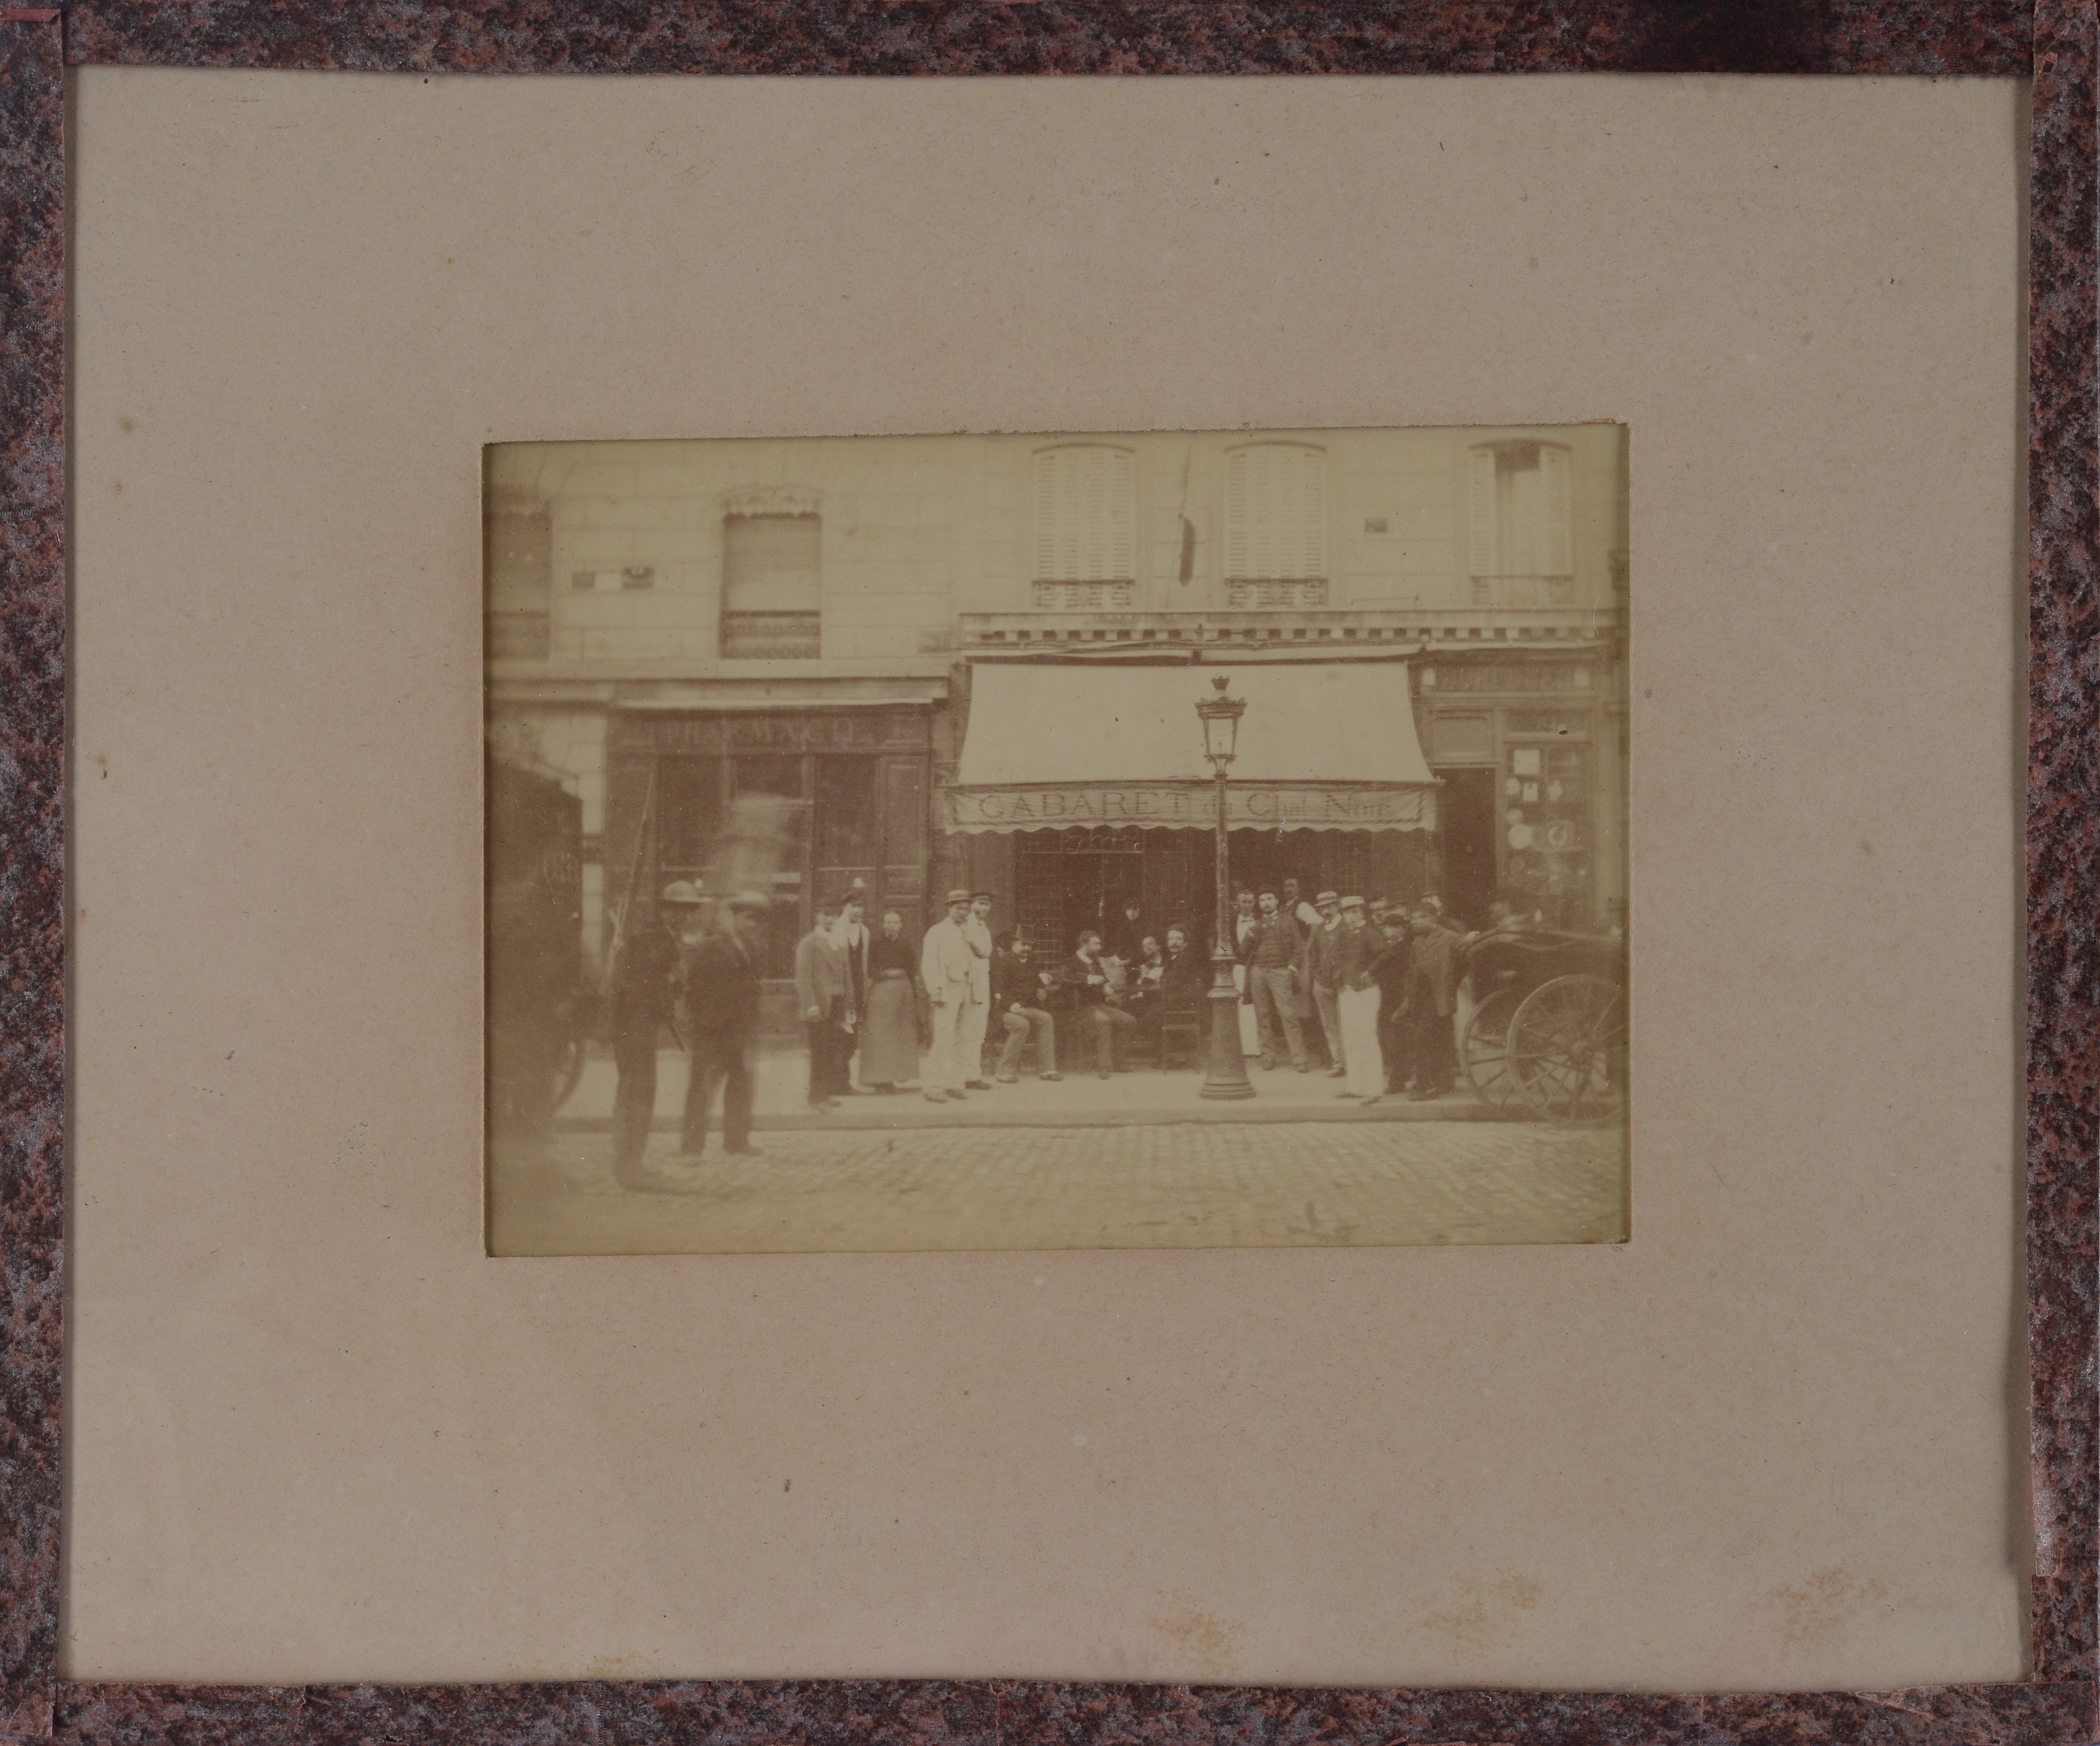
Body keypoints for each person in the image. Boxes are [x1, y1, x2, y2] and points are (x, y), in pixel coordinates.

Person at [606, 880, 704, 1193]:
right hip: (635, 1026)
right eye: (678, 909)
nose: (684, 916)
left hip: (640, 1026)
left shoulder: (660, 937)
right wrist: (671, 990)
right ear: (665, 909)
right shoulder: (652, 939)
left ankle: (630, 1164)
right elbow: (640, 985)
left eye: (688, 910)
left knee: (638, 1093)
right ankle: (629, 1169)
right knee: (637, 1095)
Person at [680, 891, 767, 1159]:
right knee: (703, 1089)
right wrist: (706, 1021)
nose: (753, 925)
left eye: (757, 921)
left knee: (743, 1087)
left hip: (743, 1034)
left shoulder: (754, 950)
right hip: (713, 1033)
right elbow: (693, 986)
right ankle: (692, 1147)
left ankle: (737, 1142)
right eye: (748, 919)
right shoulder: (713, 947)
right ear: (735, 918)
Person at [1239, 888, 1309, 1072]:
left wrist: (1291, 968)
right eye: (1262, 900)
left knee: (1288, 1015)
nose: (1266, 903)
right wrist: (1249, 936)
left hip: (1280, 972)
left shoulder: (1288, 921)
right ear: (1259, 904)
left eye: (1269, 898)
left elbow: (1298, 949)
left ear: (1276, 901)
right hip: (1258, 972)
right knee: (1262, 1016)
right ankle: (1268, 1057)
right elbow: (1243, 951)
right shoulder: (1256, 924)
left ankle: (1300, 1059)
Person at [793, 900, 854, 1112]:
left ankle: (825, 1094)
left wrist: (849, 1005)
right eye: (826, 914)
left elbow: (847, 976)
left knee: (832, 1051)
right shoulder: (810, 943)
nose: (830, 919)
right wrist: (811, 1005)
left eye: (834, 915)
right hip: (819, 1006)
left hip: (837, 1003)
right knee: (819, 1052)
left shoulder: (839, 941)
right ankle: (815, 1098)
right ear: (818, 917)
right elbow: (803, 977)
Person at [919, 889, 978, 1102]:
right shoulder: (937, 932)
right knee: (943, 1039)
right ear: (949, 908)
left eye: (966, 909)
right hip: (947, 989)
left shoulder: (968, 931)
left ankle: (955, 1083)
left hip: (967, 987)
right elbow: (929, 963)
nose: (963, 913)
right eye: (959, 908)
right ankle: (933, 1086)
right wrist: (934, 990)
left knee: (963, 1038)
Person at [859, 909, 924, 1092]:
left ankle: (896, 1076)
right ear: (883, 925)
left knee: (901, 1035)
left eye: (895, 922)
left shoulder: (906, 944)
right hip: (882, 991)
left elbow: (912, 970)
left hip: (903, 992)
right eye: (888, 922)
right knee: (880, 1035)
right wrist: (883, 975)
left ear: (901, 925)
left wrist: (914, 994)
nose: (892, 926)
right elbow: (870, 969)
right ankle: (879, 1079)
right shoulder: (875, 944)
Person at [1404, 899, 1463, 1099]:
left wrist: (1451, 983)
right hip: (1420, 998)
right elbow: (1412, 972)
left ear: (1432, 918)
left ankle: (1424, 1086)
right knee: (1440, 1040)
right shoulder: (1417, 942)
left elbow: (1466, 959)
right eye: (1413, 919)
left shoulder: (1451, 938)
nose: (1414, 922)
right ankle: (1444, 1083)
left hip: (1439, 998)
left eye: (1420, 918)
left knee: (1425, 1039)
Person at [1333, 896, 1385, 1102]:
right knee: (1351, 1038)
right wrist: (1338, 978)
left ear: (1363, 913)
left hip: (1366, 992)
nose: (1351, 916)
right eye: (1348, 912)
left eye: (1355, 912)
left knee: (1367, 1039)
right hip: (1347, 992)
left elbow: (1385, 955)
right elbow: (1337, 959)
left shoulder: (1370, 933)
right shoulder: (1344, 935)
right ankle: (1355, 1086)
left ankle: (1374, 1089)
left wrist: (1369, 972)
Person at [1064, 929, 1137, 1078]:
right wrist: (1089, 979)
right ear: (1085, 944)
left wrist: (1107, 986)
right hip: (1080, 1009)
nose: (1099, 947)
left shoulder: (1095, 961)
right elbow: (1067, 979)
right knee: (1105, 1021)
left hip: (1099, 1005)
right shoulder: (1071, 961)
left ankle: (1118, 1061)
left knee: (1129, 1021)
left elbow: (1104, 978)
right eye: (1095, 944)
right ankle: (1104, 1066)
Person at [992, 934, 1061, 1082]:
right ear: (1013, 946)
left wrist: (1041, 988)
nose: (1026, 948)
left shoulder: (1032, 961)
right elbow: (998, 988)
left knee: (1046, 1018)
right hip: (1004, 1010)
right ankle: (1004, 1072)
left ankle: (1047, 1069)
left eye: (1029, 945)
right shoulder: (1003, 961)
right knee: (1022, 1024)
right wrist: (1013, 1006)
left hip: (1027, 1007)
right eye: (1022, 944)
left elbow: (1036, 982)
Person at [1371, 907, 1415, 1095]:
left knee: (1398, 1041)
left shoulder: (1405, 949)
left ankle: (1398, 1081)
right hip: (1388, 999)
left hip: (1399, 999)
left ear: (1400, 930)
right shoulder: (1391, 947)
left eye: (1389, 928)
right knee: (1392, 1040)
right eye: (1385, 928)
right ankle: (1401, 1076)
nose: (1385, 931)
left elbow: (1407, 976)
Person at [1306, 889, 1348, 1080]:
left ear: (1337, 906)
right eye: (1322, 908)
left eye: (1329, 907)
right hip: (1323, 984)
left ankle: (1352, 1062)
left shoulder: (1347, 926)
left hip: (1344, 984)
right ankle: (1339, 1062)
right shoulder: (1319, 930)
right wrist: (1317, 975)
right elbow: (1311, 954)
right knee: (1330, 1026)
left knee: (1347, 1024)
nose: (1325, 911)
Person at [833, 888, 872, 1093]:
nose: (857, 911)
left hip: (857, 991)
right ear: (844, 908)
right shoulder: (836, 928)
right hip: (840, 991)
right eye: (853, 907)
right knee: (841, 1037)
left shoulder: (864, 932)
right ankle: (839, 1083)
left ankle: (841, 1082)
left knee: (852, 1038)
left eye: (860, 907)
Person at [959, 890, 997, 1090]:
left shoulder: (982, 926)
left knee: (977, 1031)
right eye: (981, 904)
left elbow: (986, 953)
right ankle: (964, 1075)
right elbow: (985, 951)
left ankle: (972, 1075)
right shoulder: (967, 924)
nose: (984, 908)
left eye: (987, 904)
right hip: (968, 983)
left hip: (982, 983)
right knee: (966, 1031)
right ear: (972, 904)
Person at [1106, 899, 1147, 966]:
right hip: (1121, 960)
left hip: (1138, 961)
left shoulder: (1146, 928)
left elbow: (1144, 951)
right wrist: (1115, 956)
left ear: (1140, 911)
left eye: (1135, 909)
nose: (1132, 912)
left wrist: (1129, 961)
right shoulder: (1122, 927)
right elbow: (1120, 946)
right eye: (1129, 910)